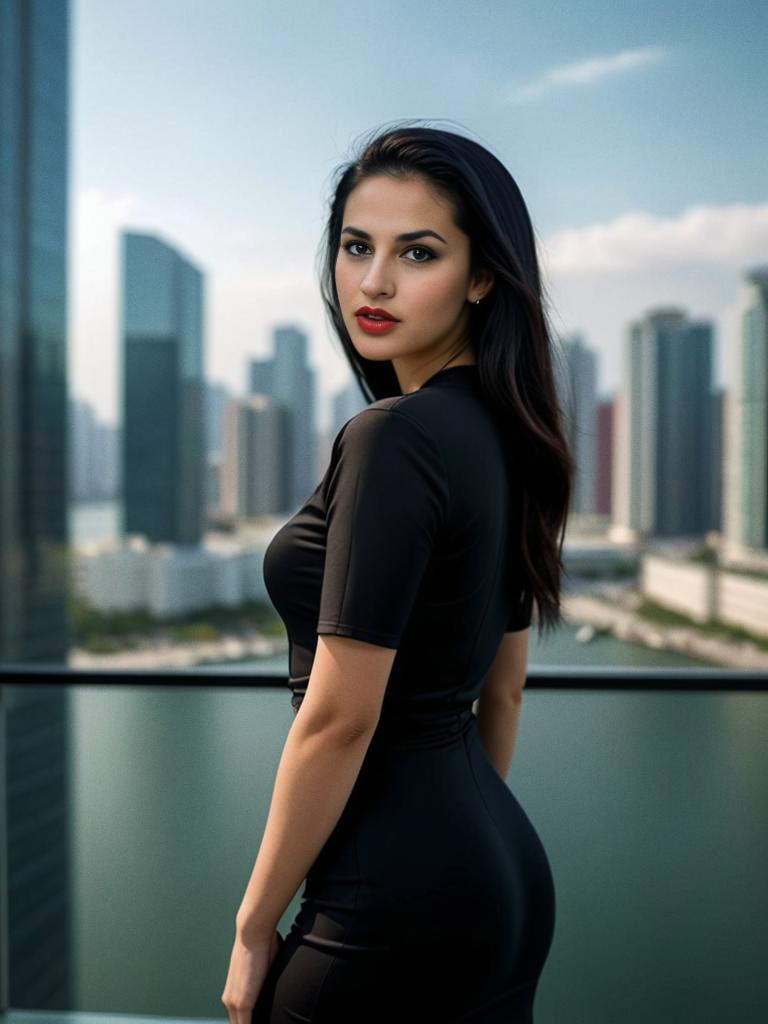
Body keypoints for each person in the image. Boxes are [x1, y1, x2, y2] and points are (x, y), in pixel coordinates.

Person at [221, 120, 574, 1023]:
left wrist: (255, 925)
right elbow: (504, 695)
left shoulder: (395, 439)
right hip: (500, 874)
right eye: (355, 246)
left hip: (391, 902)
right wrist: (460, 845)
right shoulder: (510, 434)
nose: (372, 282)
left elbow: (340, 718)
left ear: (483, 276)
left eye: (418, 252)